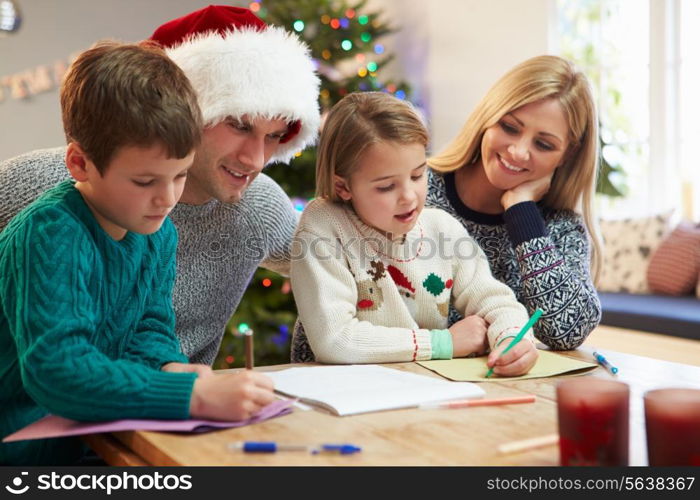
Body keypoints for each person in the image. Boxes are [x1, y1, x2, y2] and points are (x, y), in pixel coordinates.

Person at [0, 41, 276, 466]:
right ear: (79, 164)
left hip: (93, 442)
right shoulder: (50, 232)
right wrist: (191, 395)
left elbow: (150, 327)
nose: (166, 199)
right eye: (145, 181)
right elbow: (58, 371)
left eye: (179, 175)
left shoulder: (155, 231)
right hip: (22, 455)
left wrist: (168, 366)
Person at [0, 5, 321, 365]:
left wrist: (310, 366)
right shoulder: (36, 186)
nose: (255, 159)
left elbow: (338, 276)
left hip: (179, 409)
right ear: (182, 110)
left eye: (274, 136)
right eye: (239, 125)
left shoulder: (259, 206)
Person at [290, 92, 538, 373]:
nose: (409, 197)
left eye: (418, 175)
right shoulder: (324, 226)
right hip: (345, 395)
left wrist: (512, 338)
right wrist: (444, 343)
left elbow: (495, 300)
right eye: (386, 187)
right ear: (343, 187)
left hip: (422, 388)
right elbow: (336, 340)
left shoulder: (441, 228)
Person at [427, 55, 602, 350]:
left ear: (567, 155)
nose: (519, 152)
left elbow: (568, 332)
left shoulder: (559, 226)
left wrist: (522, 211)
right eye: (510, 127)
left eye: (544, 144)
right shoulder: (417, 191)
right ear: (488, 117)